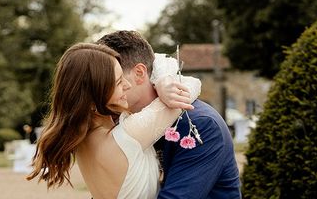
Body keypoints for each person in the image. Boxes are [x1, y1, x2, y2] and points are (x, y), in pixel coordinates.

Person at [27, 42, 201, 199]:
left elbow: (156, 60)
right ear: (94, 96)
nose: (128, 85)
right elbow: (192, 85)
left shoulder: (80, 135)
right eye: (118, 82)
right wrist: (164, 83)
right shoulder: (128, 135)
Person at [98, 30, 241, 199]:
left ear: (139, 73)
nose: (101, 90)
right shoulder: (121, 122)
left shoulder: (200, 125)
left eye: (110, 79)